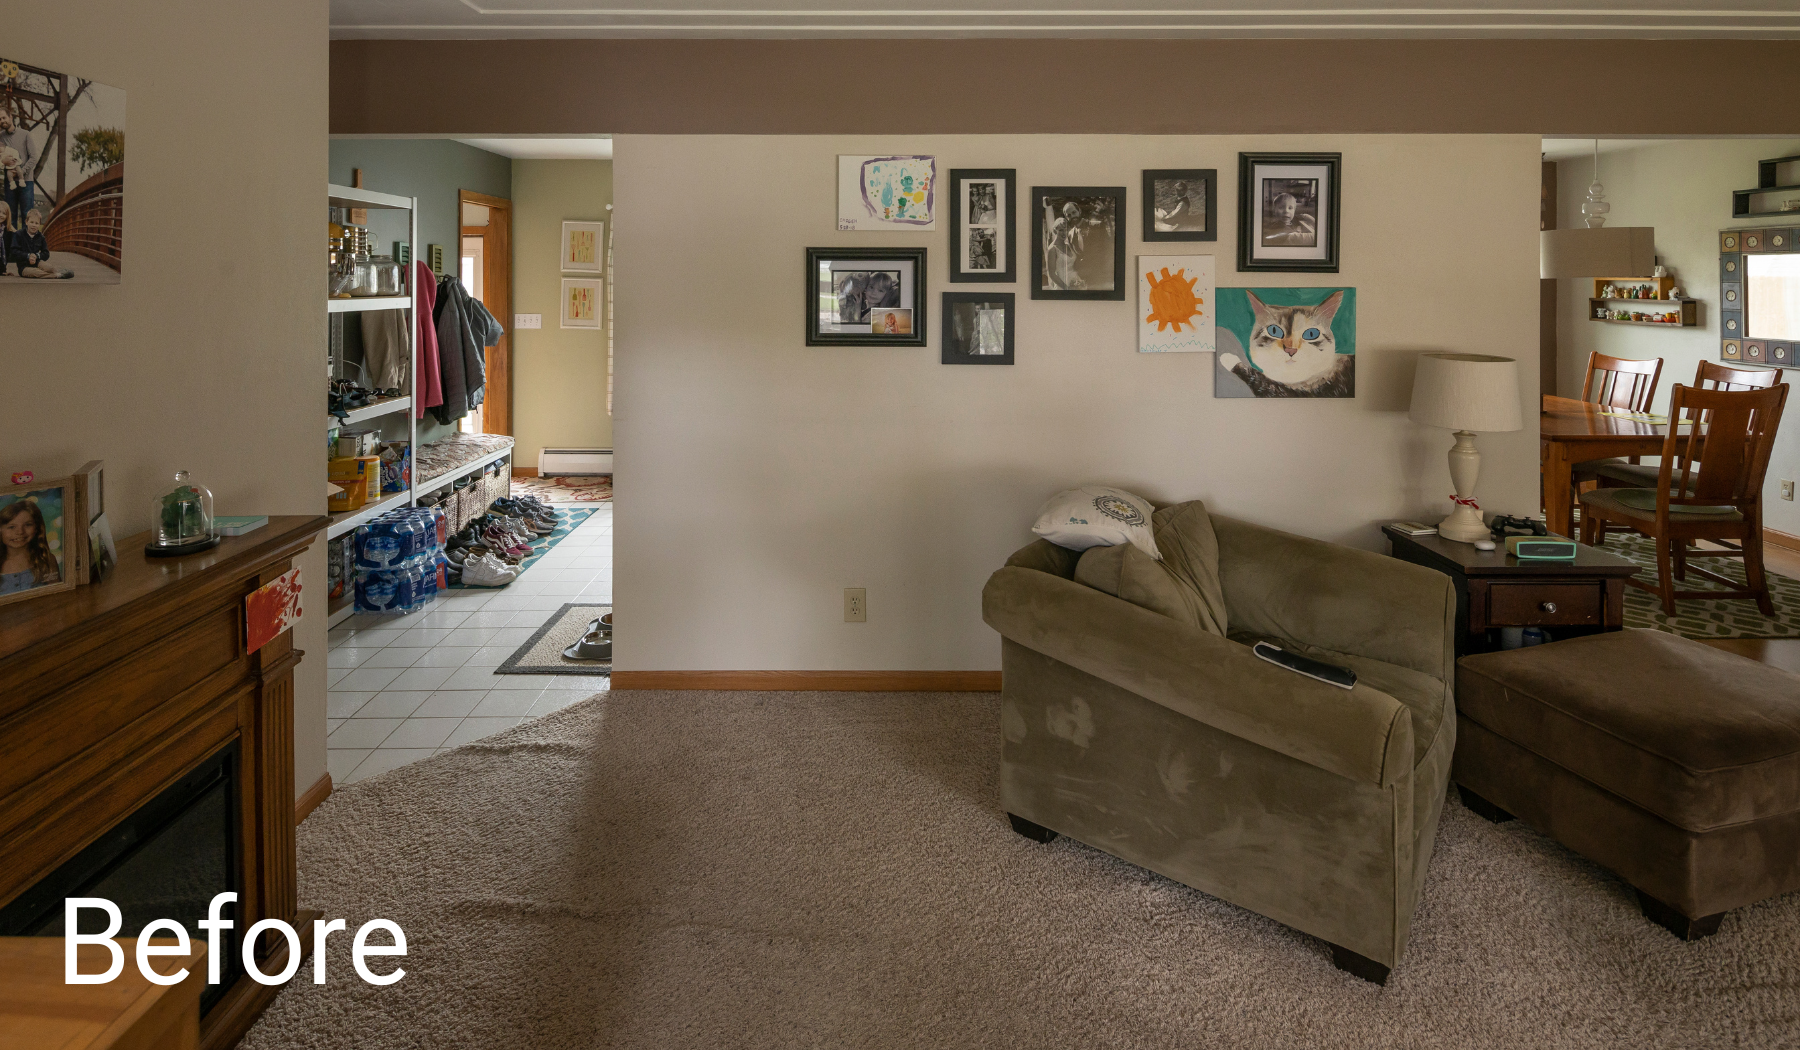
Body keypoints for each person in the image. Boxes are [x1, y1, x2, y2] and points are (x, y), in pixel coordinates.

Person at [0, 499, 61, 596]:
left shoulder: (47, 560)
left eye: (28, 525)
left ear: (37, 528)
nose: (20, 532)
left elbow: (57, 597)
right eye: (11, 527)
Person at [0, 107, 35, 231]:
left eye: (4, 117)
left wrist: (21, 172)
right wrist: (3, 162)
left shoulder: (25, 134)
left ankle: (26, 248)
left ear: (11, 117)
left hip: (26, 182)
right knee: (10, 216)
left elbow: (33, 157)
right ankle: (11, 248)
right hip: (10, 183)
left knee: (27, 214)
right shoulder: (0, 138)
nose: (2, 121)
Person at [10, 209, 70, 278]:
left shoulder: (41, 237)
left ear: (39, 224)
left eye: (36, 223)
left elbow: (46, 253)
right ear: (26, 222)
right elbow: (13, 251)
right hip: (24, 266)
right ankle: (57, 275)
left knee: (50, 268)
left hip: (37, 262)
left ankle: (58, 272)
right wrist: (28, 256)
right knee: (36, 272)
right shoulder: (19, 234)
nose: (34, 225)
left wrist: (37, 256)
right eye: (31, 222)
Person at [1046, 201, 1087, 290]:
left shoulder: (1069, 244)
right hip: (1063, 286)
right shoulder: (1052, 249)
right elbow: (1052, 274)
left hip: (1077, 282)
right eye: (1060, 230)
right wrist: (1067, 288)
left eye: (1065, 229)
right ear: (1055, 231)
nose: (1063, 232)